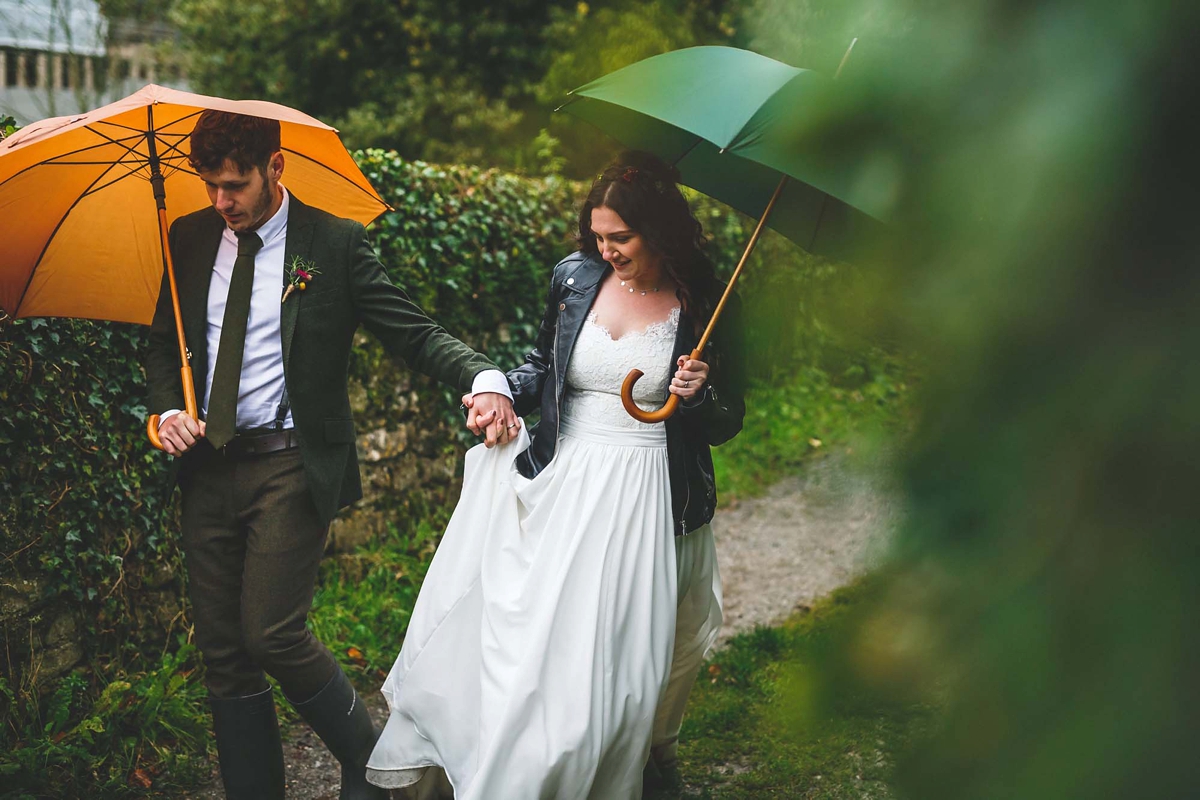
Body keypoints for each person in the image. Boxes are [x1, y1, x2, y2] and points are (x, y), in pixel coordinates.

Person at [143, 110, 519, 800]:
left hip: (291, 463)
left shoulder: (335, 244)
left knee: (271, 632)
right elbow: (165, 345)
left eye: (235, 185)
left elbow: (412, 331)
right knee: (224, 653)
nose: (221, 201)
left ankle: (371, 765)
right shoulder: (189, 238)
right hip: (207, 468)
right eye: (209, 184)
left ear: (275, 168)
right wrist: (165, 413)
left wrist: (484, 378)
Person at [365, 151, 745, 798]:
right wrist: (502, 394)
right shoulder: (574, 278)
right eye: (597, 236)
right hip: (564, 479)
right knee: (537, 648)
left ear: (657, 230)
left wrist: (701, 391)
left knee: (618, 663)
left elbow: (726, 418)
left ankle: (619, 763)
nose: (606, 250)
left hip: (645, 493)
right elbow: (543, 362)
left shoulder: (705, 300)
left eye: (619, 238)